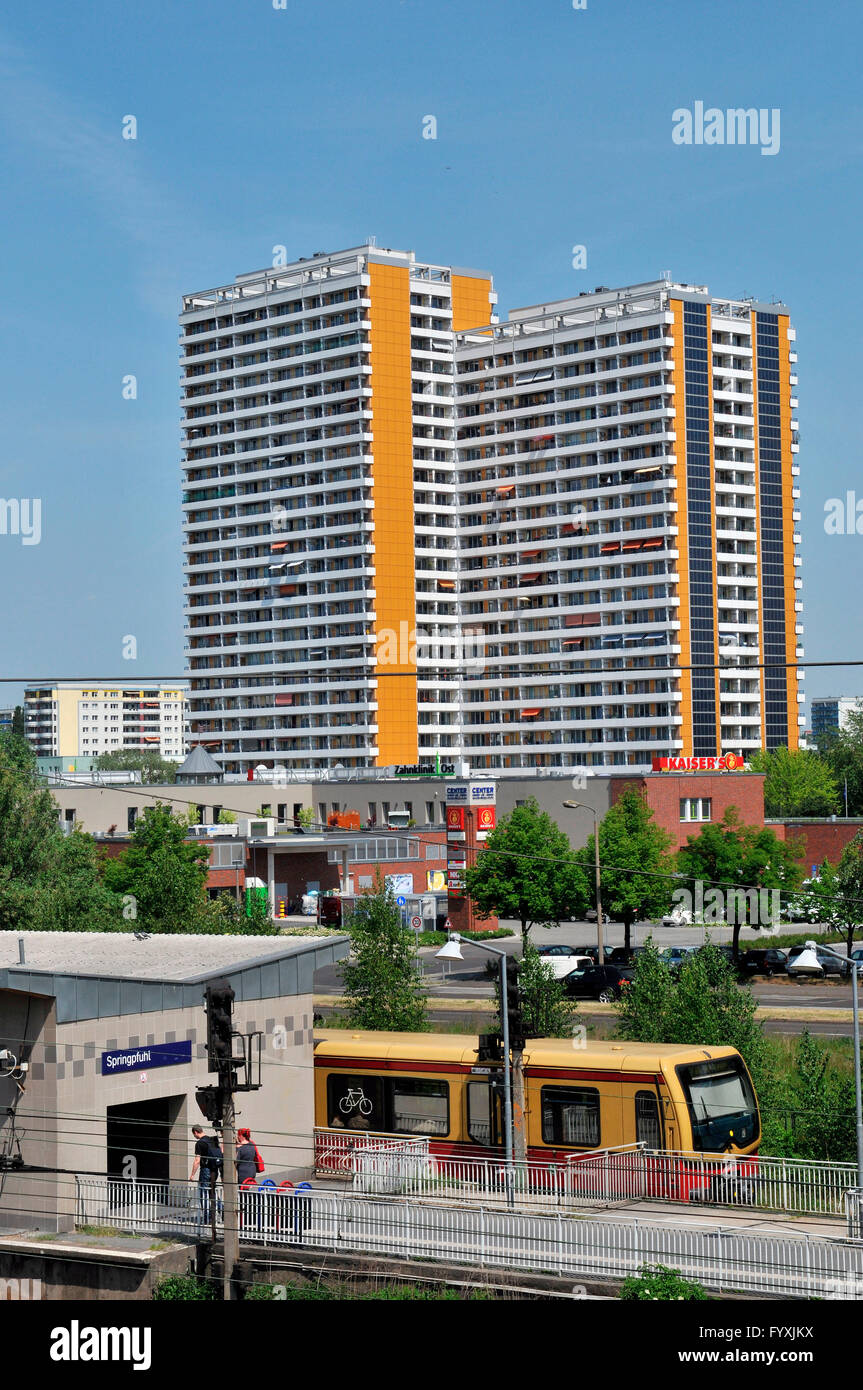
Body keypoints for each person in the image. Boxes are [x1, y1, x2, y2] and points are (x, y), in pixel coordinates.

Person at [190, 1124, 222, 1223]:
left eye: (194, 1134)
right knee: (212, 1193)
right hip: (214, 1170)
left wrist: (192, 1175)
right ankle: (222, 1214)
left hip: (206, 1170)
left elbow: (197, 1160)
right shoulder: (212, 1140)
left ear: (195, 1132)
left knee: (203, 1193)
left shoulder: (200, 1143)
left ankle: (207, 1218)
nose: (194, 1136)